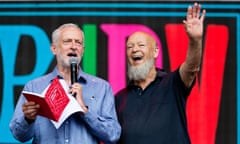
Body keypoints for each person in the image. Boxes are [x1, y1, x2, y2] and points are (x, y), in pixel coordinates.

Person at [9, 23, 121, 144]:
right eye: (67, 41)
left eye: (78, 42)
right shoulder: (34, 87)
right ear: (54, 49)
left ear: (82, 50)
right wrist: (28, 119)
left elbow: (113, 135)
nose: (73, 46)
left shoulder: (101, 88)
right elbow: (18, 135)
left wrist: (84, 111)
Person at [115, 2, 206, 144]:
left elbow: (191, 67)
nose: (134, 49)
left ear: (156, 51)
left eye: (141, 45)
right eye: (129, 47)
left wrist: (195, 40)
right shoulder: (120, 98)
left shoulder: (172, 83)